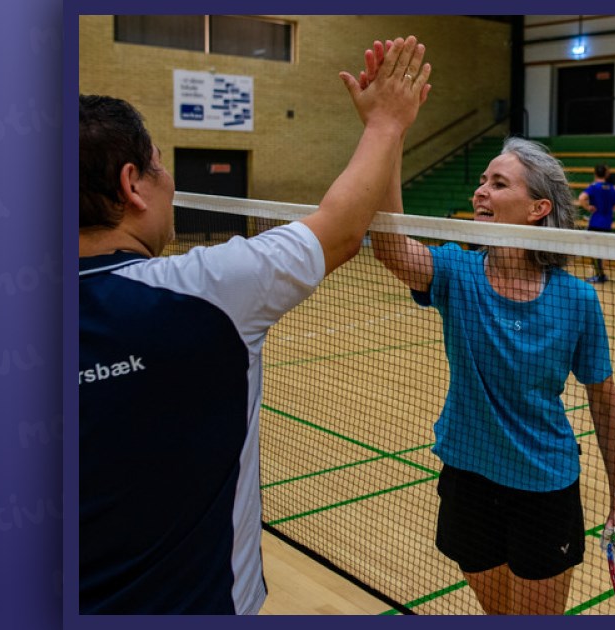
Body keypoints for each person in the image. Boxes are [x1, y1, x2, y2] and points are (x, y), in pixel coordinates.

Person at [78, 36, 431, 615]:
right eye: (160, 164)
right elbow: (343, 227)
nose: (169, 180)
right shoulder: (207, 290)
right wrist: (387, 122)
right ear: (130, 184)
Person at [358, 42, 615, 613]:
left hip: (543, 486)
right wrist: (389, 131)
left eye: (499, 183)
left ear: (537, 209)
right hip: (468, 479)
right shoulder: (458, 272)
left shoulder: (576, 299)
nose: (480, 191)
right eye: (482, 181)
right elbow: (390, 247)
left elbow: (603, 400)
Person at [576, 164, 615, 283]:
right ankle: (602, 274)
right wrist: (609, 212)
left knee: (593, 250)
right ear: (606, 174)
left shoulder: (594, 187)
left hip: (595, 223)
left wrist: (588, 207)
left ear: (595, 173)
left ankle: (599, 275)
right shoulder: (612, 188)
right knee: (603, 250)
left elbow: (581, 198)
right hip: (607, 224)